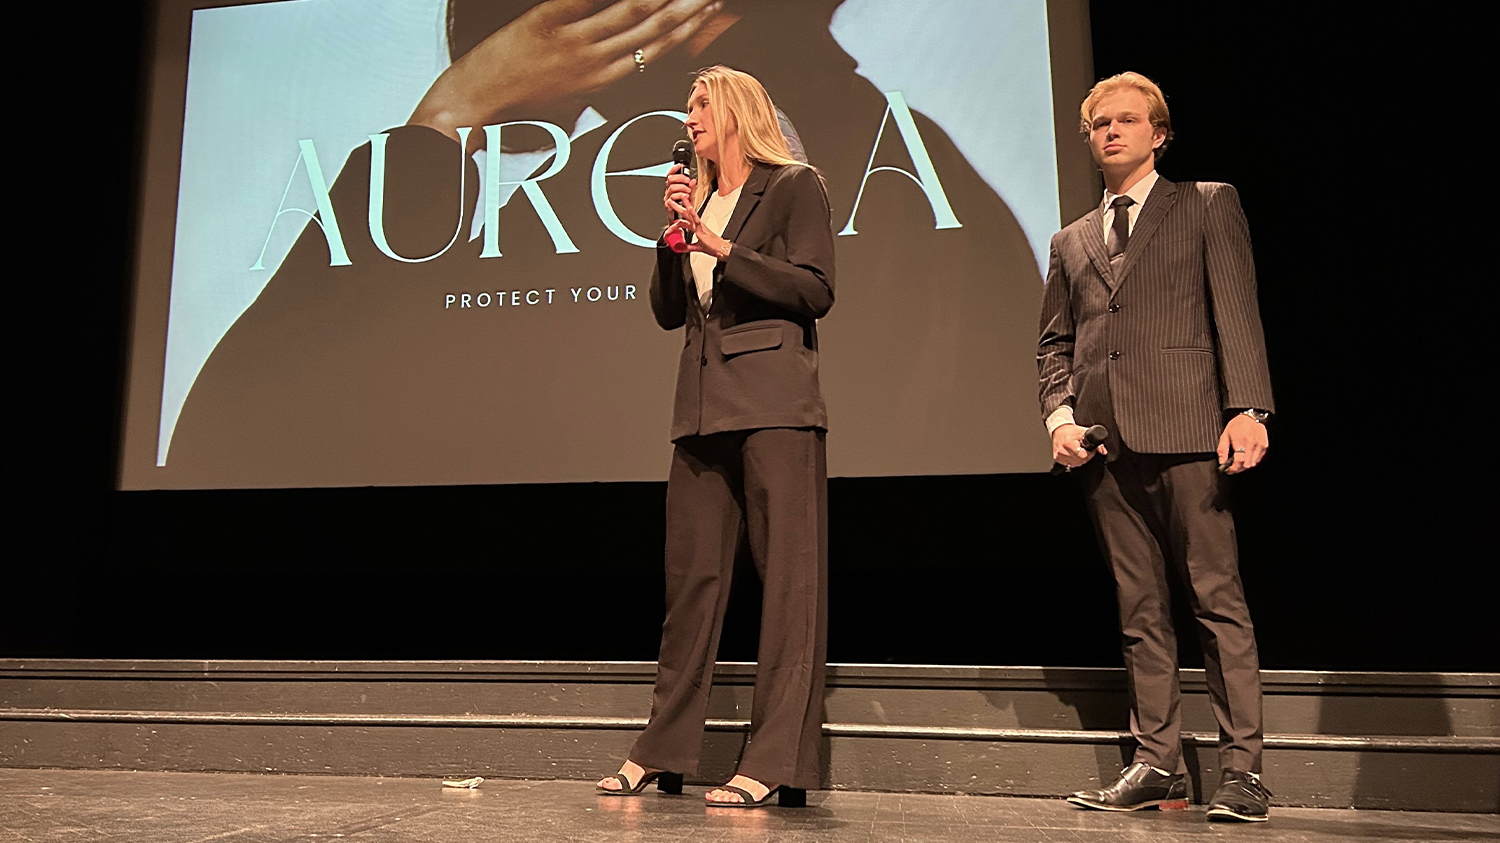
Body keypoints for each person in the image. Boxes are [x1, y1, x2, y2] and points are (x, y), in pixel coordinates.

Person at [1036, 72, 1276, 823]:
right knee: (1139, 609)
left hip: (1188, 430)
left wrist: (1249, 408)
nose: (1111, 132)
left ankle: (1244, 771)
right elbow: (1055, 344)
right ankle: (1156, 763)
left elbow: (1235, 309)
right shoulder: (1071, 237)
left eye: (1127, 121)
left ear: (1159, 133)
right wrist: (1059, 418)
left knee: (1215, 599)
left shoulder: (1205, 203)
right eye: (1099, 123)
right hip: (1105, 445)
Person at [594, 66, 833, 809]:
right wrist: (677, 238)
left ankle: (774, 762)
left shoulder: (794, 185)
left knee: (789, 585)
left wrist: (724, 247)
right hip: (699, 408)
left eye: (701, 105)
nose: (690, 117)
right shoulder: (695, 199)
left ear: (736, 112)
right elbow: (670, 312)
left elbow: (816, 288)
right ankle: (661, 749)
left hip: (774, 405)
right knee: (690, 584)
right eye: (688, 106)